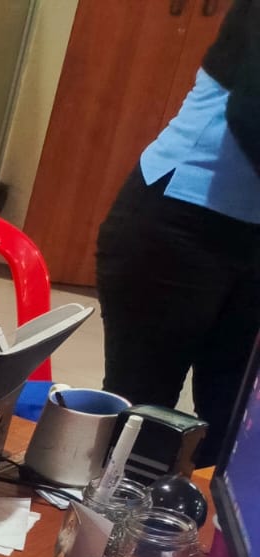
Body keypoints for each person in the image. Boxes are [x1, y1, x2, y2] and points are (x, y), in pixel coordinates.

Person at [95, 0, 260, 466]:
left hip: (249, 237)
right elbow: (251, 114)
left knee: (235, 425)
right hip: (176, 223)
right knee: (142, 423)